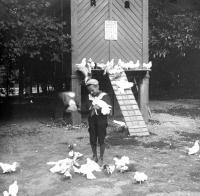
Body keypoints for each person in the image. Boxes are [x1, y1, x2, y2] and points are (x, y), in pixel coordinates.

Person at [85, 78, 111, 166]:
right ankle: (94, 155)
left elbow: (109, 108)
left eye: (92, 90)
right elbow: (88, 106)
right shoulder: (89, 96)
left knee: (101, 139)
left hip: (101, 121)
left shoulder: (105, 96)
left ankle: (101, 157)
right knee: (92, 139)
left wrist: (99, 107)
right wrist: (93, 107)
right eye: (90, 91)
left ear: (97, 87)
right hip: (92, 121)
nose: (91, 92)